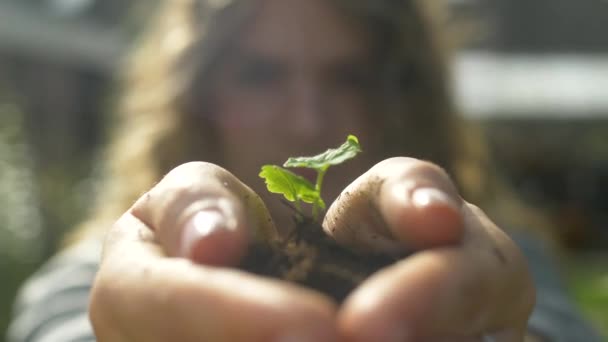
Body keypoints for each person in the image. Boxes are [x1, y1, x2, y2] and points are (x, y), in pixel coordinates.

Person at [7, 0, 603, 341]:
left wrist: (503, 329)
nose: (305, 119)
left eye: (347, 78)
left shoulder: (496, 250)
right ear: (198, 100)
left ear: (401, 96)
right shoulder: (105, 263)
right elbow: (61, 323)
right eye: (262, 75)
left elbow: (547, 320)